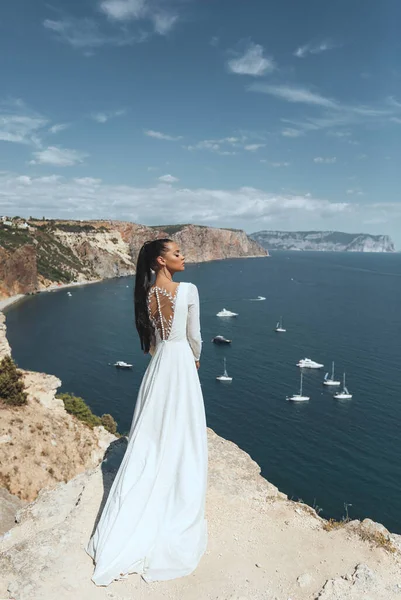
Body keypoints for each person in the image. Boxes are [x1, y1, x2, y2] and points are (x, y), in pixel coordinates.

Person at [85, 238, 208, 586]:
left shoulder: (147, 295)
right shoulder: (189, 290)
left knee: (151, 434)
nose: (183, 256)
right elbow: (194, 335)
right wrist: (196, 357)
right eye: (177, 253)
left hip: (158, 367)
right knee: (183, 430)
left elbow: (152, 342)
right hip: (181, 362)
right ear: (161, 260)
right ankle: (178, 491)